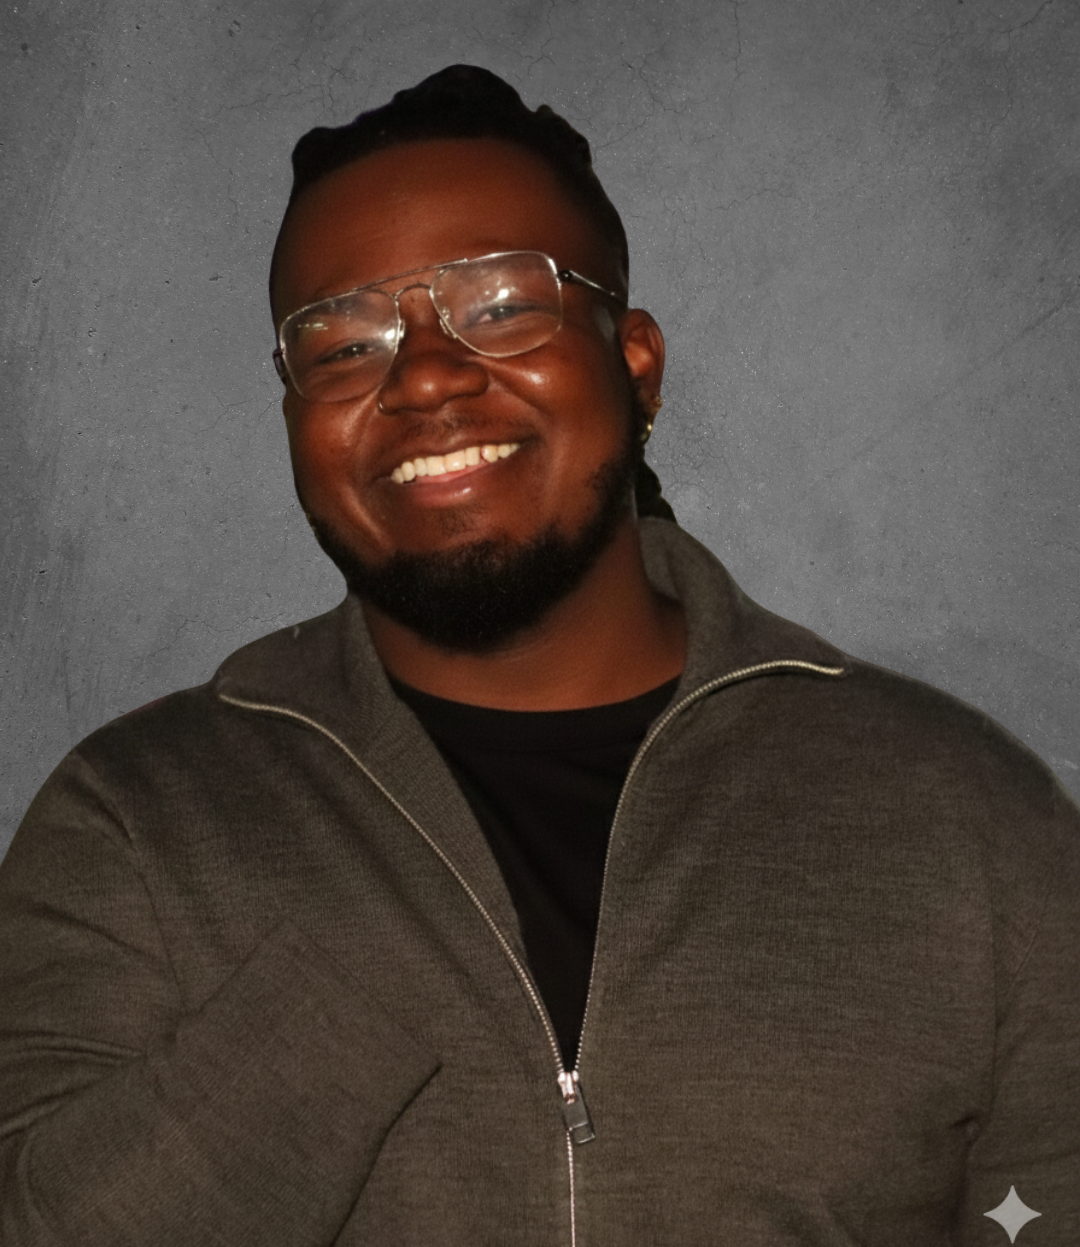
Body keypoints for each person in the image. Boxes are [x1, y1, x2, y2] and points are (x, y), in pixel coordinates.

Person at [0, 65, 1077, 1247]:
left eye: (506, 305)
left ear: (636, 365)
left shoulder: (960, 814)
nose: (423, 373)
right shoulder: (138, 821)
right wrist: (359, 969)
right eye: (343, 343)